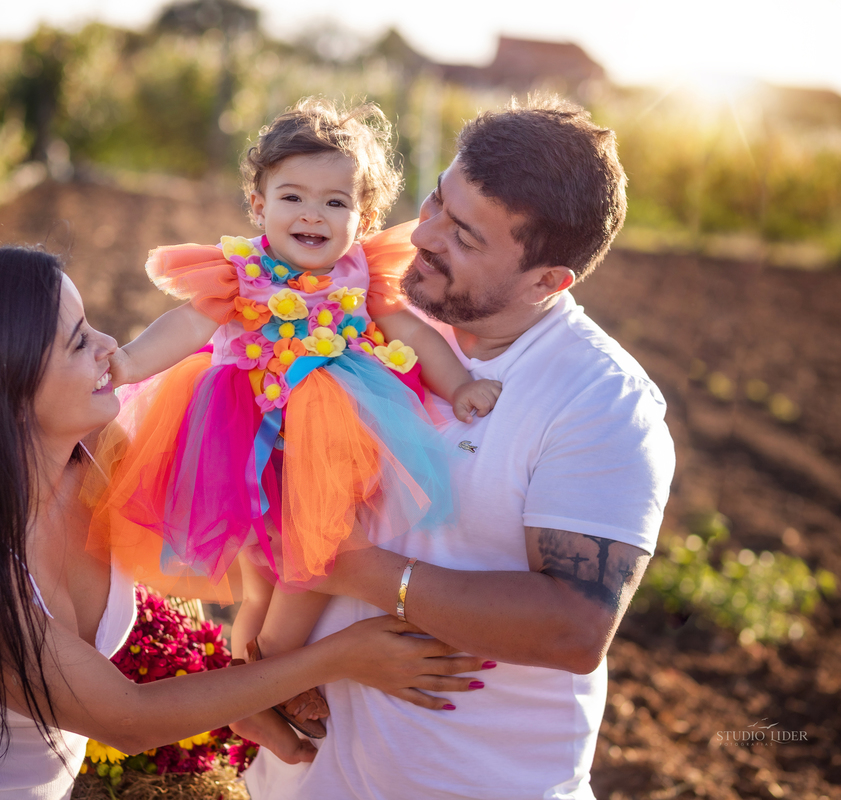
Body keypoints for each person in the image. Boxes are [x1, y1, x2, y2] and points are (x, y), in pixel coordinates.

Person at [0, 247, 487, 799]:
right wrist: (343, 654)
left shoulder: (94, 460)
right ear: (3, 387)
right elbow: (126, 719)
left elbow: (235, 494)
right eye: (78, 339)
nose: (109, 343)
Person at [244, 98, 677, 799]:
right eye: (437, 200)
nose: (424, 235)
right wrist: (257, 647)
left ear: (547, 281)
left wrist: (351, 567)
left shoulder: (598, 401)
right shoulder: (365, 315)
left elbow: (572, 628)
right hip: (304, 779)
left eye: (465, 237)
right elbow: (272, 468)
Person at [91, 98, 501, 737]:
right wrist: (129, 362)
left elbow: (412, 338)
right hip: (237, 436)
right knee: (260, 577)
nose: (312, 214)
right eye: (292, 197)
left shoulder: (363, 274)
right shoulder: (240, 270)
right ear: (258, 206)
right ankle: (256, 677)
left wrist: (460, 383)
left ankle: (281, 666)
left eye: (335, 203)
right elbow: (185, 325)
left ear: (362, 217)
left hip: (327, 442)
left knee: (313, 556)